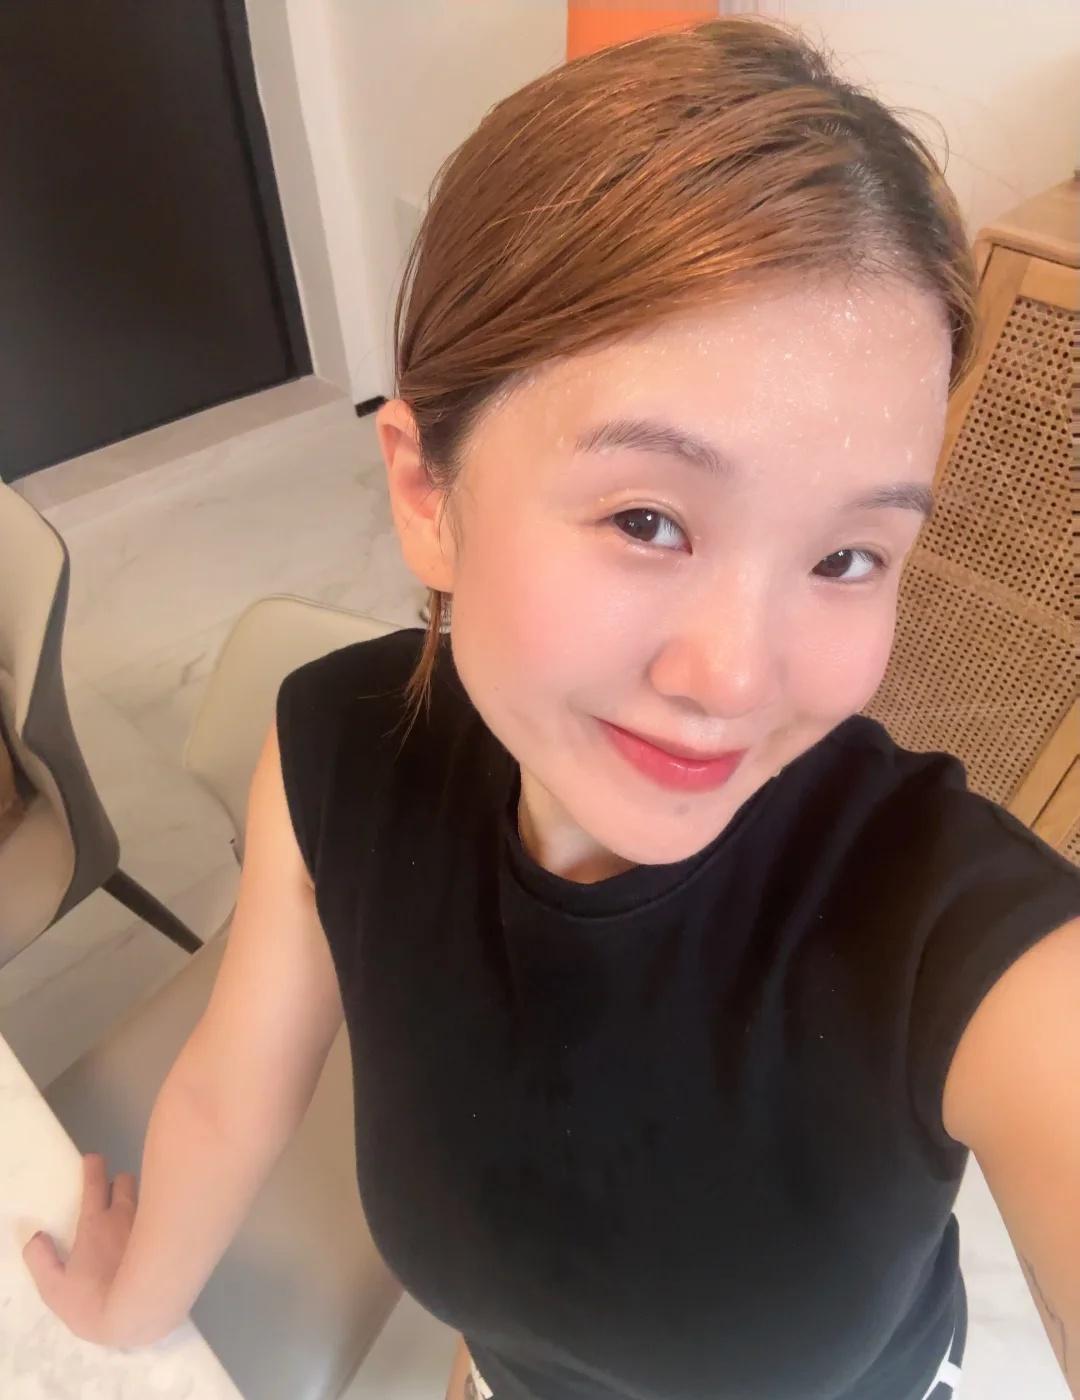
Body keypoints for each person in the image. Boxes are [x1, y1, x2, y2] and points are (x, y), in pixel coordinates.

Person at [23, 16, 1080, 1400]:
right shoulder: (342, 752)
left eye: (846, 558)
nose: (735, 680)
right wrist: (130, 1295)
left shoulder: (962, 934)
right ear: (427, 492)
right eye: (648, 519)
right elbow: (235, 1085)